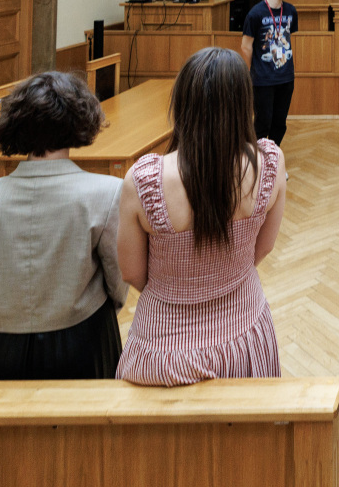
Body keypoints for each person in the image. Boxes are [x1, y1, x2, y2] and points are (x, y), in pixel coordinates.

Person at [116, 47, 287, 384]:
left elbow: (132, 272)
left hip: (163, 352)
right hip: (244, 339)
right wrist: (226, 275)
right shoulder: (269, 162)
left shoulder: (143, 180)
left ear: (182, 103)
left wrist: (178, 288)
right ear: (244, 105)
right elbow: (263, 248)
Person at [0, 71, 128, 380]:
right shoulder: (107, 192)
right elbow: (117, 281)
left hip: (0, 345)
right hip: (84, 341)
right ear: (81, 121)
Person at [241, 0, 299, 145]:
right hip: (263, 79)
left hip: (285, 77)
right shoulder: (255, 13)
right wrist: (251, 72)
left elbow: (288, 38)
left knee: (279, 123)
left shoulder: (290, 11)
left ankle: (274, 155)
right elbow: (245, 46)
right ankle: (257, 157)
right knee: (262, 123)